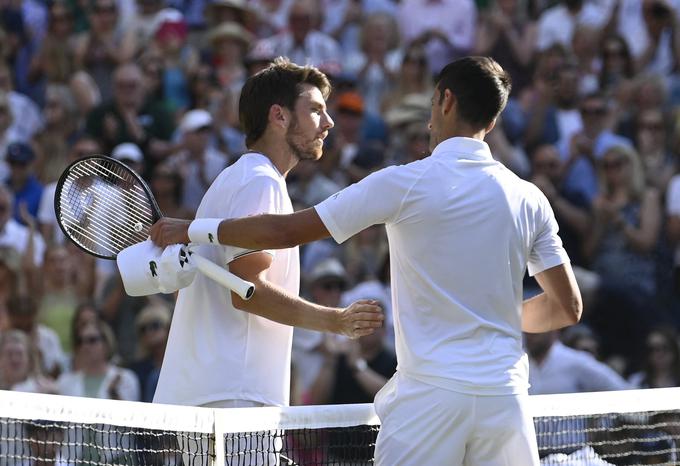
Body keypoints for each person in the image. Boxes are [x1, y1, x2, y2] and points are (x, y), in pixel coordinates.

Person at [151, 56, 583, 465]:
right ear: (492, 120)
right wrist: (491, 317)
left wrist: (193, 228)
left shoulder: (403, 182)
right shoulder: (531, 199)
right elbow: (567, 308)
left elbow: (285, 231)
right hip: (505, 401)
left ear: (446, 100)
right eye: (317, 110)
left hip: (426, 400)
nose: (330, 123)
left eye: (433, 101)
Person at [151, 58, 383, 414]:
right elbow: (248, 293)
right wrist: (334, 321)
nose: (329, 122)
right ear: (279, 116)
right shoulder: (260, 181)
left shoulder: (239, 177)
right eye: (316, 110)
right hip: (235, 397)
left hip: (212, 395)